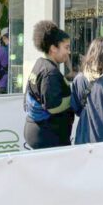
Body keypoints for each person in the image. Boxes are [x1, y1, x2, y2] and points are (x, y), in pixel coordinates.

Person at [24, 21, 74, 149]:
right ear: (53, 48)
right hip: (47, 136)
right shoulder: (50, 72)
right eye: (66, 47)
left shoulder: (40, 64)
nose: (68, 52)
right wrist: (75, 97)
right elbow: (52, 106)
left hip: (39, 131)